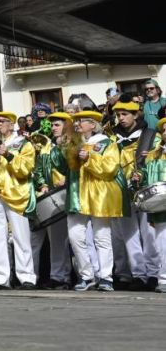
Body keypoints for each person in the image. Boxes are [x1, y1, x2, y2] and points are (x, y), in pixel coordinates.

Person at [0, 110, 37, 289]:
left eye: (2, 121)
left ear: (12, 125)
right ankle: (0, 277)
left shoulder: (24, 144)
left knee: (21, 237)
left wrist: (8, 155)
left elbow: (26, 169)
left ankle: (27, 277)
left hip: (16, 194)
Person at [65, 110, 120, 291]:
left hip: (98, 195)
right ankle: (87, 275)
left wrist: (90, 158)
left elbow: (110, 168)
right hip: (77, 195)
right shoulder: (73, 143)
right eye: (77, 121)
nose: (78, 124)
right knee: (75, 236)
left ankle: (106, 277)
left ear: (92, 124)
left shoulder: (106, 143)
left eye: (82, 121)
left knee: (101, 237)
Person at [109, 101, 152, 288]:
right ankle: (138, 274)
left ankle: (153, 273)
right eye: (118, 115)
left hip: (142, 189)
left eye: (125, 114)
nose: (121, 118)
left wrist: (142, 172)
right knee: (128, 234)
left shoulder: (149, 135)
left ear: (135, 115)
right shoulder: (111, 138)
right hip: (120, 190)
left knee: (148, 232)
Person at [31, 112, 72, 289]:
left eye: (57, 125)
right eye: (52, 125)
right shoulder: (47, 147)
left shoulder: (71, 144)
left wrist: (67, 178)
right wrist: (42, 185)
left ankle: (74, 275)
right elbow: (38, 169)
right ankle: (58, 276)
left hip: (69, 194)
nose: (53, 128)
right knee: (56, 238)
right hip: (52, 196)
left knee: (75, 239)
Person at [134, 116, 166, 292]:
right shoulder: (154, 154)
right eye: (165, 130)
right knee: (162, 243)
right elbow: (148, 175)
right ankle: (164, 279)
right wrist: (140, 176)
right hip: (161, 205)